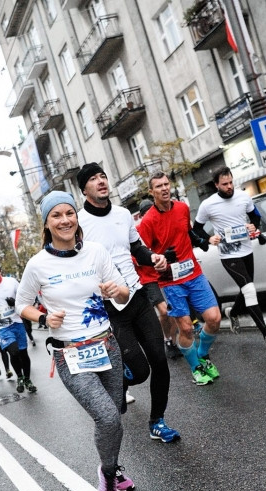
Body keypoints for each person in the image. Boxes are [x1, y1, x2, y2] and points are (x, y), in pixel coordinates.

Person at [16, 191, 134, 491]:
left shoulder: (95, 253)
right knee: (108, 417)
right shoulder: (38, 265)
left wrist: (116, 290)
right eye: (56, 215)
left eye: (69, 213)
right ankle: (107, 473)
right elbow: (22, 304)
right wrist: (43, 317)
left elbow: (123, 295)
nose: (65, 220)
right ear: (47, 224)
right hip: (70, 354)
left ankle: (113, 464)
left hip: (106, 345)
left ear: (76, 218)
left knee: (116, 414)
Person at [75, 162, 180, 443]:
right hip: (109, 308)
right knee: (139, 370)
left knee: (159, 361)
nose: (101, 182)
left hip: (136, 294)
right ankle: (118, 381)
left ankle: (157, 421)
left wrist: (153, 257)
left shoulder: (123, 215)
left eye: (103, 176)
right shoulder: (78, 224)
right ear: (84, 189)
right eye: (93, 179)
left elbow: (136, 248)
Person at [138, 171, 222, 385]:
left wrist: (203, 241)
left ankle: (201, 355)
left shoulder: (183, 208)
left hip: (193, 273)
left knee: (214, 319)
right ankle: (196, 368)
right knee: (185, 328)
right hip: (171, 280)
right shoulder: (147, 222)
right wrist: (160, 259)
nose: (164, 188)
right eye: (159, 186)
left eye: (166, 184)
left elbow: (187, 232)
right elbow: (140, 253)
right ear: (151, 192)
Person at [193, 166, 266, 349]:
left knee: (245, 287)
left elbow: (255, 217)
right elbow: (196, 229)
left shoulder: (243, 197)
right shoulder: (208, 205)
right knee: (249, 289)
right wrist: (209, 238)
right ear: (216, 185)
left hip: (246, 250)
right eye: (224, 184)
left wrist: (253, 227)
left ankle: (232, 312)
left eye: (231, 182)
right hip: (228, 254)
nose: (229, 186)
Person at [0, 260, 36, 393]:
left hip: (17, 322)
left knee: (23, 353)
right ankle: (19, 377)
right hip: (2, 327)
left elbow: (24, 298)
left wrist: (15, 302)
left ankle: (27, 379)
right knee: (13, 351)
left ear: (0, 270)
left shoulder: (11, 282)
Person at [134, 199, 180, 359]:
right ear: (141, 216)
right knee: (164, 310)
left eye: (151, 211)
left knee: (172, 309)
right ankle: (167, 340)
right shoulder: (138, 231)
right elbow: (134, 256)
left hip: (166, 274)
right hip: (148, 278)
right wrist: (151, 258)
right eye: (146, 213)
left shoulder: (162, 225)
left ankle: (172, 342)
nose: (150, 216)